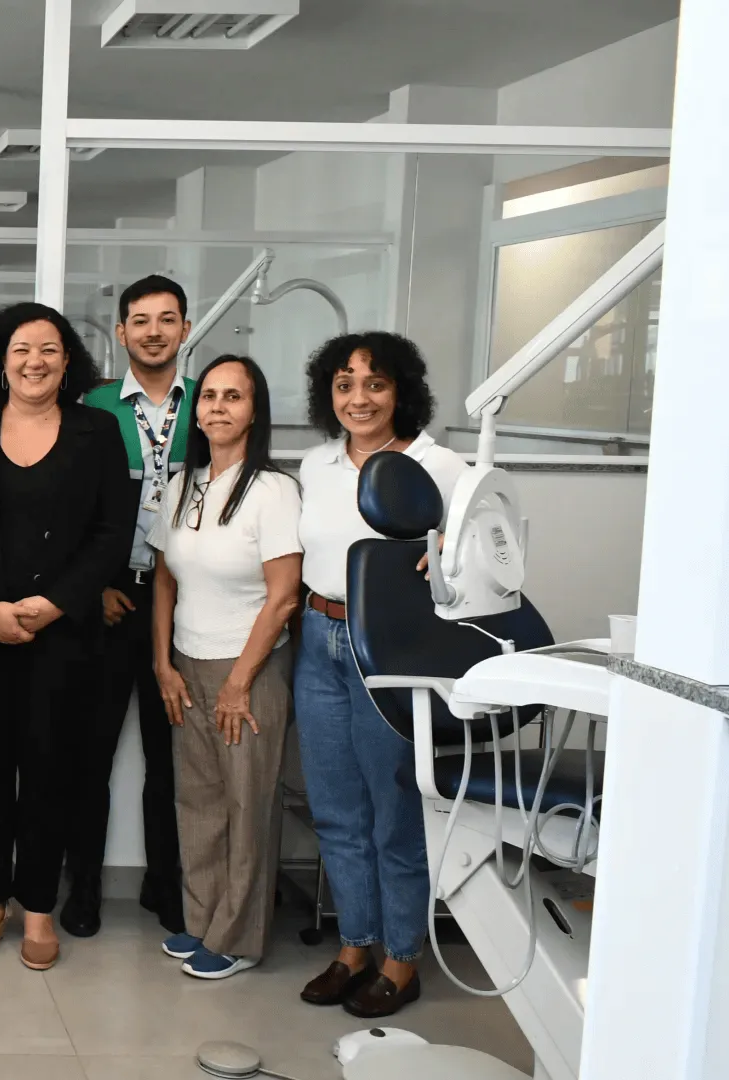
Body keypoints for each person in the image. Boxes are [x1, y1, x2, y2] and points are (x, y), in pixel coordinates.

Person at [0, 302, 134, 971]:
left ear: (67, 361)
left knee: (52, 774)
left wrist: (55, 603)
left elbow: (112, 533)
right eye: (21, 349)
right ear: (0, 359)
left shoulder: (98, 431)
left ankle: (38, 906)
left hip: (64, 639)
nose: (34, 362)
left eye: (48, 349)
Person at [295, 330, 467, 1019]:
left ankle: (402, 958)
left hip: (391, 648)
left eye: (375, 384)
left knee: (393, 812)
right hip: (317, 637)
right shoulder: (316, 464)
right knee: (336, 808)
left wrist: (454, 546)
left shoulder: (439, 466)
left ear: (401, 391)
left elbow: (495, 556)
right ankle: (354, 947)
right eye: (345, 384)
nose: (359, 398)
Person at [148, 355, 303, 981]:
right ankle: (204, 919)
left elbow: (284, 596)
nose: (217, 407)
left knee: (247, 804)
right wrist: (162, 663)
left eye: (232, 396)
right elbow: (164, 580)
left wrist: (240, 683)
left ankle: (239, 938)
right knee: (200, 802)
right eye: (208, 396)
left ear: (255, 410)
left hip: (250, 669)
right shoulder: (183, 484)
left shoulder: (274, 491)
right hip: (188, 663)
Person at [70, 273, 194, 938]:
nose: (153, 332)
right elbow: (69, 508)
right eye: (140, 321)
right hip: (110, 601)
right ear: (121, 332)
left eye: (166, 319)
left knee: (169, 758)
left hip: (185, 606)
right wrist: (94, 584)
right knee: (88, 756)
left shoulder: (206, 404)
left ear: (185, 329)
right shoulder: (92, 406)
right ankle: (84, 887)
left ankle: (166, 886)